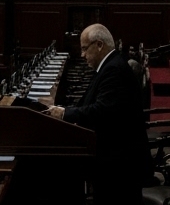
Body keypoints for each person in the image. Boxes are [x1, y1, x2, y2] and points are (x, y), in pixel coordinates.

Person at [46, 24, 151, 204]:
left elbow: (102, 111)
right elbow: (92, 103)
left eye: (85, 49)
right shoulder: (110, 65)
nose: (82, 55)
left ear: (99, 45)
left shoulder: (113, 69)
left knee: (56, 171)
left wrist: (64, 114)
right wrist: (65, 110)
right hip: (114, 152)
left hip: (119, 164)